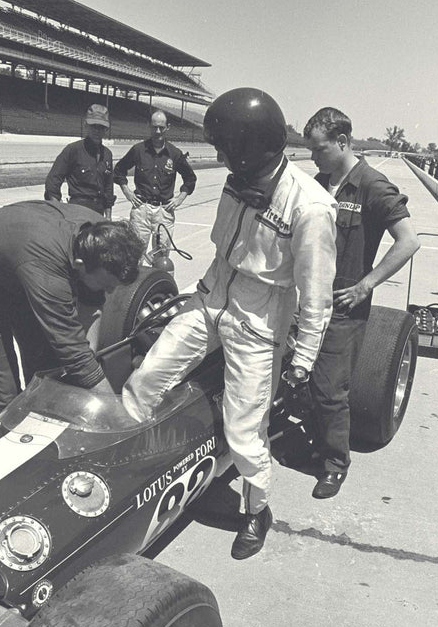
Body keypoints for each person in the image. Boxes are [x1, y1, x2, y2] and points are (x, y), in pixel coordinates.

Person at [121, 88, 337, 559]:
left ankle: (257, 509)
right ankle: (132, 478)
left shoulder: (311, 207)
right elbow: (226, 249)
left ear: (246, 149)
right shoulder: (238, 177)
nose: (217, 155)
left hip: (259, 318)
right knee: (145, 380)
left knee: (244, 428)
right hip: (209, 296)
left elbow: (317, 296)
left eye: (223, 148)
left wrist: (302, 360)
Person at [303, 107, 420, 498]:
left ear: (342, 142)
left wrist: (366, 285)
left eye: (319, 150)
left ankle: (335, 463)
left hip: (344, 304)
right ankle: (314, 440)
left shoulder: (371, 184)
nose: (313, 157)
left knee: (330, 388)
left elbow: (409, 241)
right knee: (300, 376)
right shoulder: (319, 183)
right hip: (306, 299)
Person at [0, 201, 143, 417]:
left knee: (45, 372)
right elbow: (73, 352)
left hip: (19, 267)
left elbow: (92, 307)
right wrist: (116, 417)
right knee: (5, 390)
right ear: (78, 264)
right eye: (107, 286)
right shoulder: (49, 273)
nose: (110, 291)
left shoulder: (101, 236)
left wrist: (89, 365)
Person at [113, 110, 196, 258]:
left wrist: (179, 200)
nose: (158, 131)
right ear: (149, 126)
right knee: (134, 257)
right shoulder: (138, 150)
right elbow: (119, 170)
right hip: (141, 211)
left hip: (164, 212)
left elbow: (190, 179)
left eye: (161, 127)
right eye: (154, 127)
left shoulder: (175, 154)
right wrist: (127, 192)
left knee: (161, 259)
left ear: (168, 127)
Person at [44, 104, 116, 216]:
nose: (97, 131)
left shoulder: (107, 154)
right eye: (94, 126)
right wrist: (58, 208)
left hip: (98, 212)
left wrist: (108, 217)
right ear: (86, 125)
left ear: (106, 129)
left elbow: (108, 188)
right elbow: (53, 180)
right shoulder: (73, 150)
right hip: (77, 211)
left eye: (101, 127)